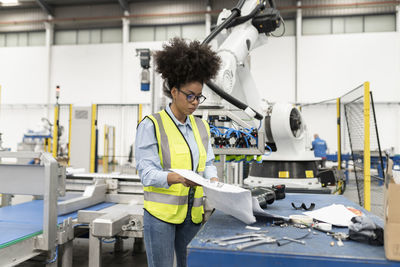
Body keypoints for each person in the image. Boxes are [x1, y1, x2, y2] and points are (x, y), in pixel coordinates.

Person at [135, 37, 221, 267]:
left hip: (193, 215)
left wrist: (212, 178)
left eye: (199, 96)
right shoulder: (151, 125)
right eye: (190, 95)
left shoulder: (201, 126)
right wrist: (175, 177)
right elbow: (147, 173)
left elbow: (208, 162)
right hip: (160, 217)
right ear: (174, 92)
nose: (195, 102)